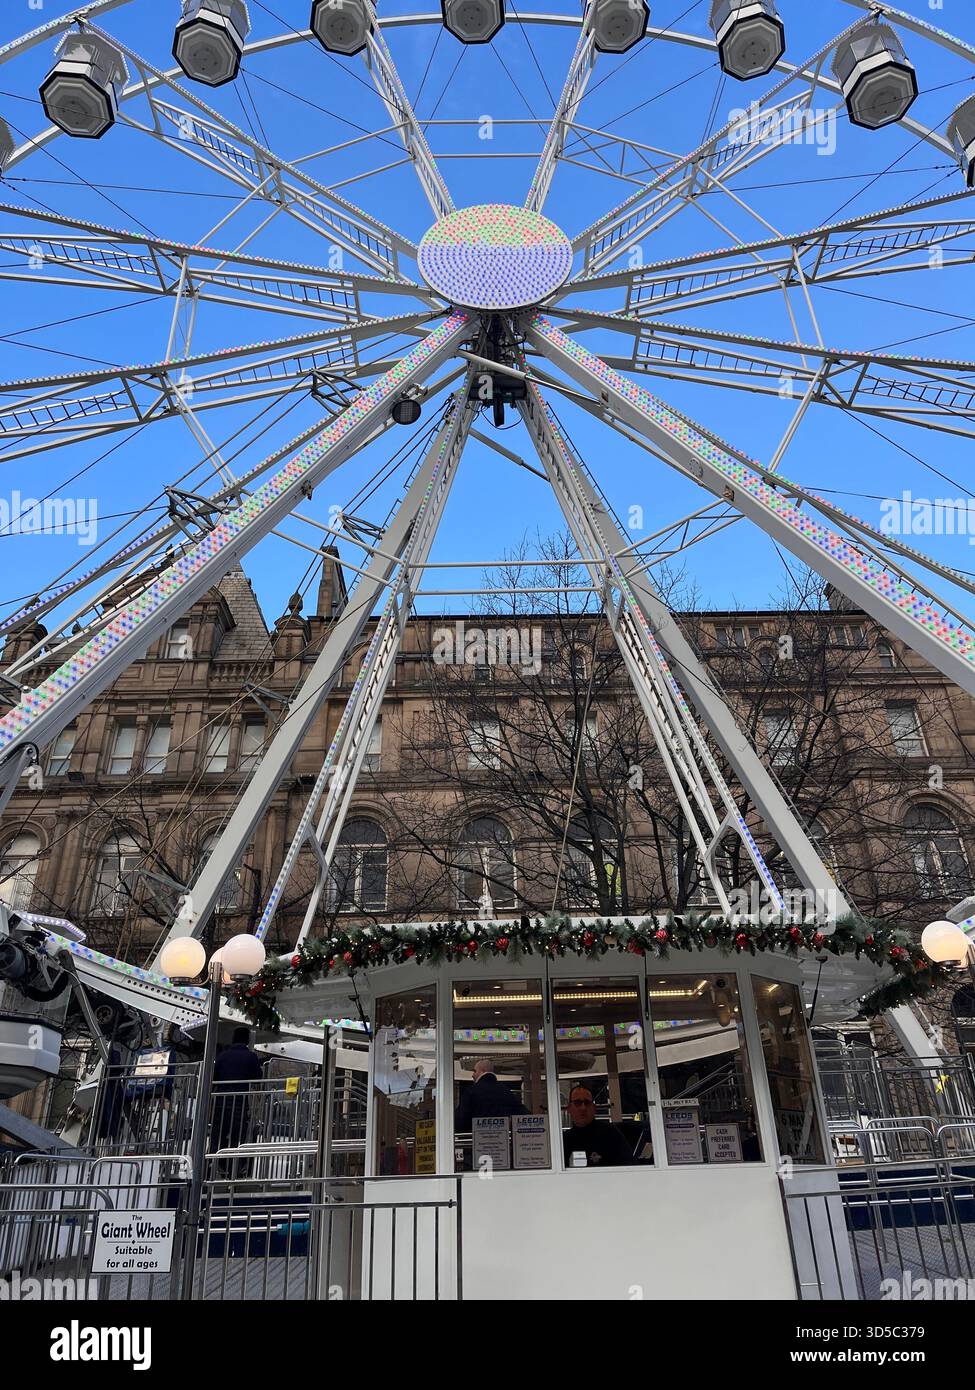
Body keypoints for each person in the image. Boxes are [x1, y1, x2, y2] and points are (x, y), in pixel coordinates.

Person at [212, 1027, 264, 1174]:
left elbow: (214, 1077)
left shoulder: (223, 1056)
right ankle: (236, 1167)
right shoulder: (251, 1057)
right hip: (239, 1101)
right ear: (247, 1039)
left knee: (219, 1134)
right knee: (238, 1135)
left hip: (221, 1100)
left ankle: (216, 1164)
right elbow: (257, 1077)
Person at [563, 1083, 633, 1168]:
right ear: (569, 1108)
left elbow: (628, 1164)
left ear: (594, 1108)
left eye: (587, 1102)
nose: (583, 1108)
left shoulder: (610, 1134)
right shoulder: (564, 1140)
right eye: (578, 1103)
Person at [454, 1057, 527, 1131]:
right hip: (501, 1138)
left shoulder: (471, 1091)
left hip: (477, 1138)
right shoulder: (505, 1091)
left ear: (482, 1071)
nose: (473, 1075)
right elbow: (522, 1114)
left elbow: (461, 1119)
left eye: (475, 1071)